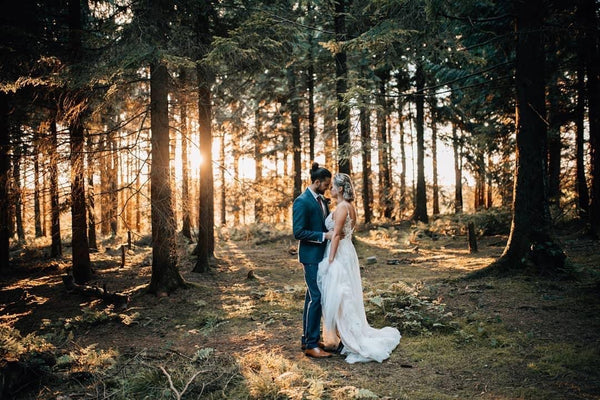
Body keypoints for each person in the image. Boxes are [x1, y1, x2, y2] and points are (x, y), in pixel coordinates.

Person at [317, 173, 401, 363]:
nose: (330, 189)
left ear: (339, 189)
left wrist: (329, 260)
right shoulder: (350, 207)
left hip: (338, 253)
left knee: (342, 294)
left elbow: (337, 235)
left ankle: (350, 337)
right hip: (348, 251)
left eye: (332, 187)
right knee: (346, 293)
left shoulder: (341, 208)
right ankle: (341, 334)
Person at [292, 163, 335, 358]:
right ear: (317, 182)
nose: (328, 188)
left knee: (311, 297)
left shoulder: (320, 200)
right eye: (325, 184)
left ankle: (309, 338)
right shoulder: (302, 202)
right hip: (310, 257)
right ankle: (311, 345)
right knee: (316, 296)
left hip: (321, 256)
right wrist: (324, 236)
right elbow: (298, 232)